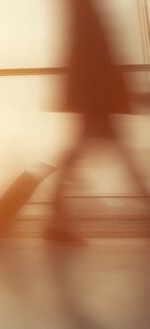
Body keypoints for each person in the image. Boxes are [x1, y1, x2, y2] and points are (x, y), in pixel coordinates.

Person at [46, 0, 150, 245]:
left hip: (92, 95)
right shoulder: (87, 11)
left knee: (79, 156)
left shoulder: (81, 12)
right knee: (121, 156)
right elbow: (96, 52)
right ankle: (55, 221)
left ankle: (55, 221)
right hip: (96, 96)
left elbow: (86, 51)